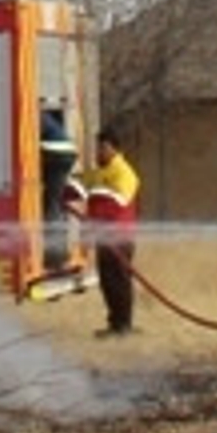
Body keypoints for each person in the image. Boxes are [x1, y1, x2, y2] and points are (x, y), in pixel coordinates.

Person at [63, 127, 140, 337]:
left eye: (102, 148)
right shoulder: (98, 173)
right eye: (97, 147)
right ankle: (114, 324)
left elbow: (118, 203)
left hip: (120, 239)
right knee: (107, 282)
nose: (98, 152)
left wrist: (94, 215)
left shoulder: (125, 174)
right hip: (103, 239)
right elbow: (81, 187)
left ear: (113, 149)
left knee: (120, 281)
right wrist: (65, 191)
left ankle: (124, 325)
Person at [38, 108, 79, 271]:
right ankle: (59, 252)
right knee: (55, 203)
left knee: (52, 205)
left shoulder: (35, 115)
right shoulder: (43, 116)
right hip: (63, 154)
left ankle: (55, 255)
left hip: (58, 155)